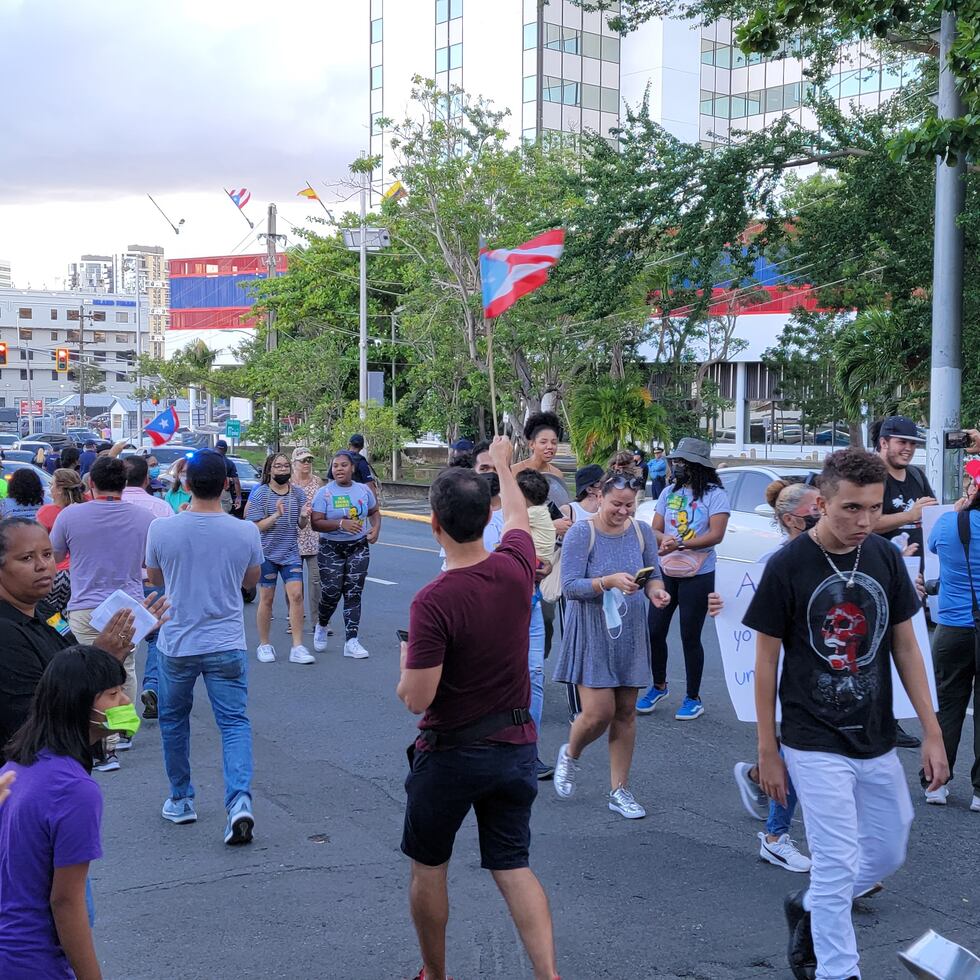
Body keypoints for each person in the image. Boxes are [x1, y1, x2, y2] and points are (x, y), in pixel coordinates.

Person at [744, 448, 948, 980]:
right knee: (834, 859)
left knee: (887, 850)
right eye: (850, 508)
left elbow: (906, 647)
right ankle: (839, 970)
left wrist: (932, 731)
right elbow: (765, 662)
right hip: (811, 738)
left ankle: (811, 905)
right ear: (822, 501)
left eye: (873, 509)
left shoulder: (882, 555)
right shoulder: (788, 566)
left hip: (876, 734)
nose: (863, 521)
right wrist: (769, 748)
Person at [398, 436, 559, 980]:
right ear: (484, 517)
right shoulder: (516, 565)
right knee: (514, 866)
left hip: (453, 755)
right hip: (515, 748)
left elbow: (416, 697)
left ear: (436, 525)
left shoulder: (435, 600)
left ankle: (435, 973)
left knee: (429, 865)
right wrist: (507, 465)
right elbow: (517, 512)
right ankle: (548, 975)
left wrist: (405, 664)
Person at [145, 449, 263, 843]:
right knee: (233, 723)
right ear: (227, 486)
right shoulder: (245, 530)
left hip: (177, 641)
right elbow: (251, 583)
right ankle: (240, 801)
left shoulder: (162, 529)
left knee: (174, 721)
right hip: (227, 640)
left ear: (187, 484)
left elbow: (156, 578)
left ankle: (181, 799)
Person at [0, 645, 135, 980]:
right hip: (33, 960)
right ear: (78, 703)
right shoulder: (74, 790)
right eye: (113, 694)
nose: (126, 702)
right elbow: (66, 902)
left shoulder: (19, 763)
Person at [710, 479, 819, 874]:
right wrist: (723, 604)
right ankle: (776, 837)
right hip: (794, 677)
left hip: (828, 677)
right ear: (792, 520)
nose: (824, 513)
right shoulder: (776, 563)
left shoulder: (835, 554)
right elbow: (749, 610)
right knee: (797, 753)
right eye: (815, 510)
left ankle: (759, 776)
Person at [551, 471, 670, 818]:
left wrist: (656, 591)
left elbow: (654, 573)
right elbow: (570, 586)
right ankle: (570, 754)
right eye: (616, 503)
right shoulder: (580, 533)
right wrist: (607, 582)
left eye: (629, 505)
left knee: (626, 713)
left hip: (630, 631)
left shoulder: (641, 531)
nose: (623, 511)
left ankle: (620, 789)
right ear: (599, 495)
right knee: (598, 712)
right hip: (591, 631)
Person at [0, 518, 150, 761]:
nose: (42, 566)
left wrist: (110, 655)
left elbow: (72, 657)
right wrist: (100, 659)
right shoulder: (6, 632)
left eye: (48, 554)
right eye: (26, 558)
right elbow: (34, 717)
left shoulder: (45, 611)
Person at [50, 456, 160, 771]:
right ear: (124, 485)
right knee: (125, 667)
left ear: (91, 484)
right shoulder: (144, 518)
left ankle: (104, 747)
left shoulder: (71, 515)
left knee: (90, 673)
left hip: (85, 604)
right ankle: (123, 730)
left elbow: (56, 554)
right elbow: (150, 565)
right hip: (129, 604)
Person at [639, 437, 731, 719]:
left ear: (697, 465)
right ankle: (658, 685)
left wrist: (679, 544)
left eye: (681, 462)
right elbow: (654, 529)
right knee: (654, 630)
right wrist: (664, 538)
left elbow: (716, 535)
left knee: (690, 636)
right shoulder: (668, 492)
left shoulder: (715, 494)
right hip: (666, 570)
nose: (676, 466)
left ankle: (693, 697)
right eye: (675, 461)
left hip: (699, 573)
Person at [873, 415, 936, 751]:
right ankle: (880, 720)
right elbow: (864, 523)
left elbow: (928, 518)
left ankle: (890, 718)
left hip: (913, 577)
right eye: (902, 442)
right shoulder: (871, 475)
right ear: (883, 442)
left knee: (906, 647)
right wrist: (909, 515)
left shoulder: (915, 476)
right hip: (877, 574)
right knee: (879, 649)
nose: (909, 449)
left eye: (912, 443)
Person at [921, 470, 980, 811]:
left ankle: (935, 783)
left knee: (946, 706)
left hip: (952, 628)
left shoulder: (947, 524)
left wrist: (958, 513)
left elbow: (932, 548)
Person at [310, 450, 381, 659]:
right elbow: (316, 523)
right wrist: (340, 523)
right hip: (330, 548)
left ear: (352, 468)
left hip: (358, 546)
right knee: (331, 593)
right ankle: (322, 624)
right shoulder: (324, 493)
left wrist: (376, 528)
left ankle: (351, 640)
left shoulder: (362, 490)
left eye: (343, 465)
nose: (339, 469)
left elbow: (374, 511)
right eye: (335, 466)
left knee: (353, 593)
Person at [245, 453, 314, 665]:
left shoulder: (298, 494)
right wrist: (275, 516)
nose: (282, 470)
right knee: (267, 598)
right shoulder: (261, 494)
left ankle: (298, 646)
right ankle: (264, 644)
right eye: (278, 466)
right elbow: (253, 527)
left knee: (297, 596)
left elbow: (301, 525)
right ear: (269, 470)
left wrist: (304, 516)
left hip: (291, 552)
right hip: (266, 554)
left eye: (285, 466)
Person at [122, 456, 174, 720]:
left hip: (118, 586)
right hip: (153, 583)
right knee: (157, 639)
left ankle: (116, 703)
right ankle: (152, 686)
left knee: (121, 645)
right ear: (146, 478)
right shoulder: (161, 507)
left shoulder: (110, 506)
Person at [515, 468, 558, 780]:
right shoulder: (528, 516)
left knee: (536, 674)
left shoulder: (524, 516)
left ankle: (528, 751)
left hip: (530, 599)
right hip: (510, 602)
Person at [37, 469, 87, 614]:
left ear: (59, 490)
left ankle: (59, 635)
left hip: (58, 572)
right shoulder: (87, 509)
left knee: (51, 615)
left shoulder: (46, 512)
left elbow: (40, 545)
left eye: (51, 484)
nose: (50, 488)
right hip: (82, 572)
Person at [291, 447, 323, 635]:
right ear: (294, 463)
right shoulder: (288, 483)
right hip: (292, 538)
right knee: (295, 583)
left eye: (309, 460)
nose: (306, 464)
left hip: (313, 538)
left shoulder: (317, 481)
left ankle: (317, 621)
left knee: (316, 581)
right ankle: (294, 619)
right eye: (302, 461)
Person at [215, 440, 242, 514]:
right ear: (226, 450)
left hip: (207, 493)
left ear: (215, 448)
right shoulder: (229, 463)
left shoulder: (207, 461)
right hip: (223, 493)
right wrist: (238, 497)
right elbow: (236, 482)